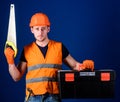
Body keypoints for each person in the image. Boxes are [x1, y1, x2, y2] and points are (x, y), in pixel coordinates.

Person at [4, 12, 94, 102]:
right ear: (32, 30)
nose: (40, 32)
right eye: (37, 29)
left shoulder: (59, 47)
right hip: (32, 98)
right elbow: (16, 77)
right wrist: (10, 62)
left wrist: (85, 66)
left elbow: (75, 66)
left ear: (48, 29)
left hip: (53, 97)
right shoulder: (27, 50)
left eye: (43, 29)